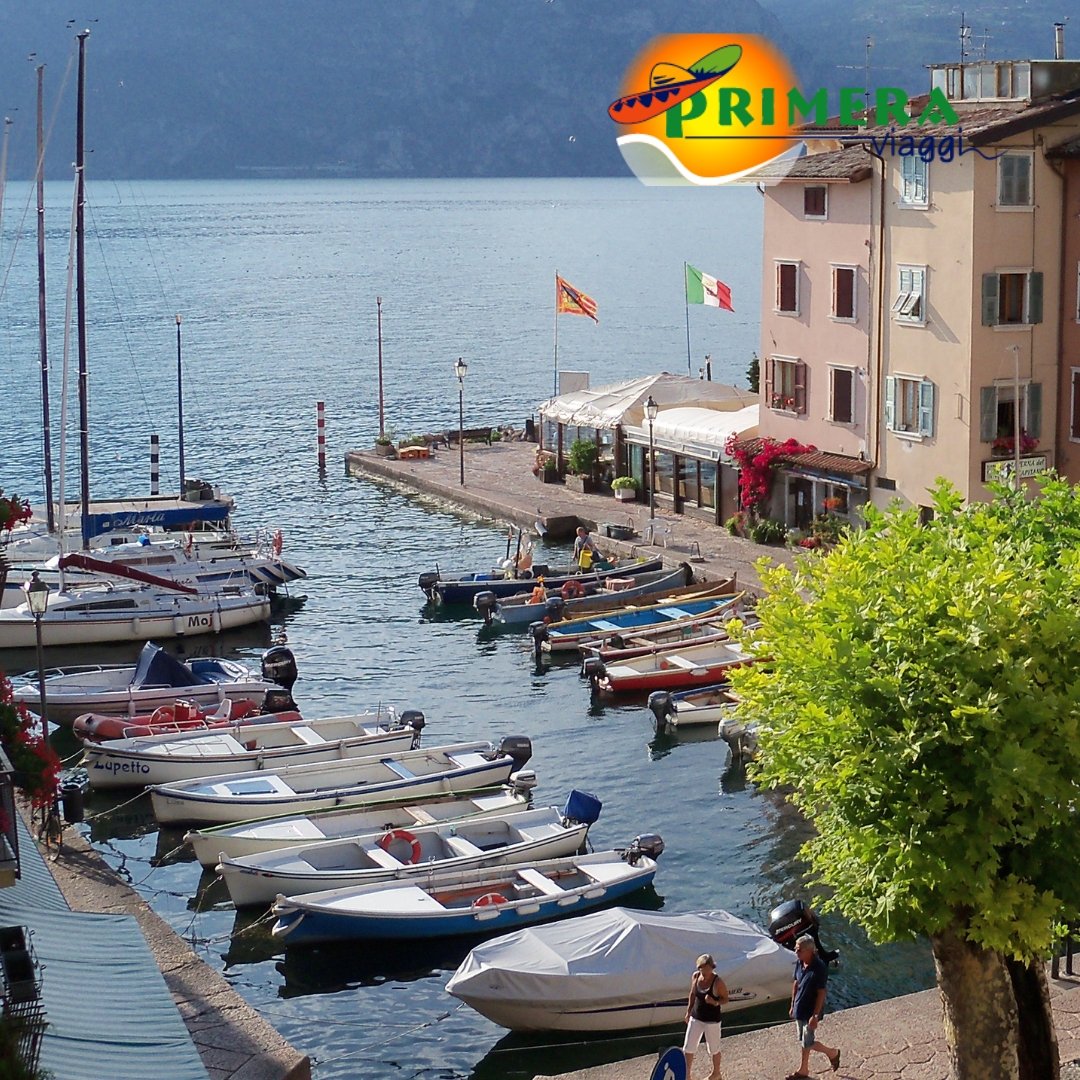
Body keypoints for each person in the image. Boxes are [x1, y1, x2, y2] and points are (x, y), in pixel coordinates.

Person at [786, 935, 840, 1080]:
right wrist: (792, 1005)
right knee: (804, 1041)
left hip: (811, 1012)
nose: (796, 952)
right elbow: (796, 983)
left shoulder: (820, 967)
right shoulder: (799, 962)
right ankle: (829, 1054)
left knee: (807, 1042)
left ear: (809, 951)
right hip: (799, 1008)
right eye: (796, 949)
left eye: (799, 950)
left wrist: (815, 1015)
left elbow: (821, 992)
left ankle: (806, 1069)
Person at [683, 952, 728, 1080]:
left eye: (708, 968)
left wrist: (715, 1002)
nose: (705, 971)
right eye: (702, 968)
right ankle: (687, 1075)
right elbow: (692, 994)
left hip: (712, 1020)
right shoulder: (696, 977)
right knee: (688, 1047)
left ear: (712, 967)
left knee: (714, 1048)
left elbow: (725, 999)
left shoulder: (717, 982)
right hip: (696, 1017)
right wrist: (688, 1011)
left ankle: (716, 1073)